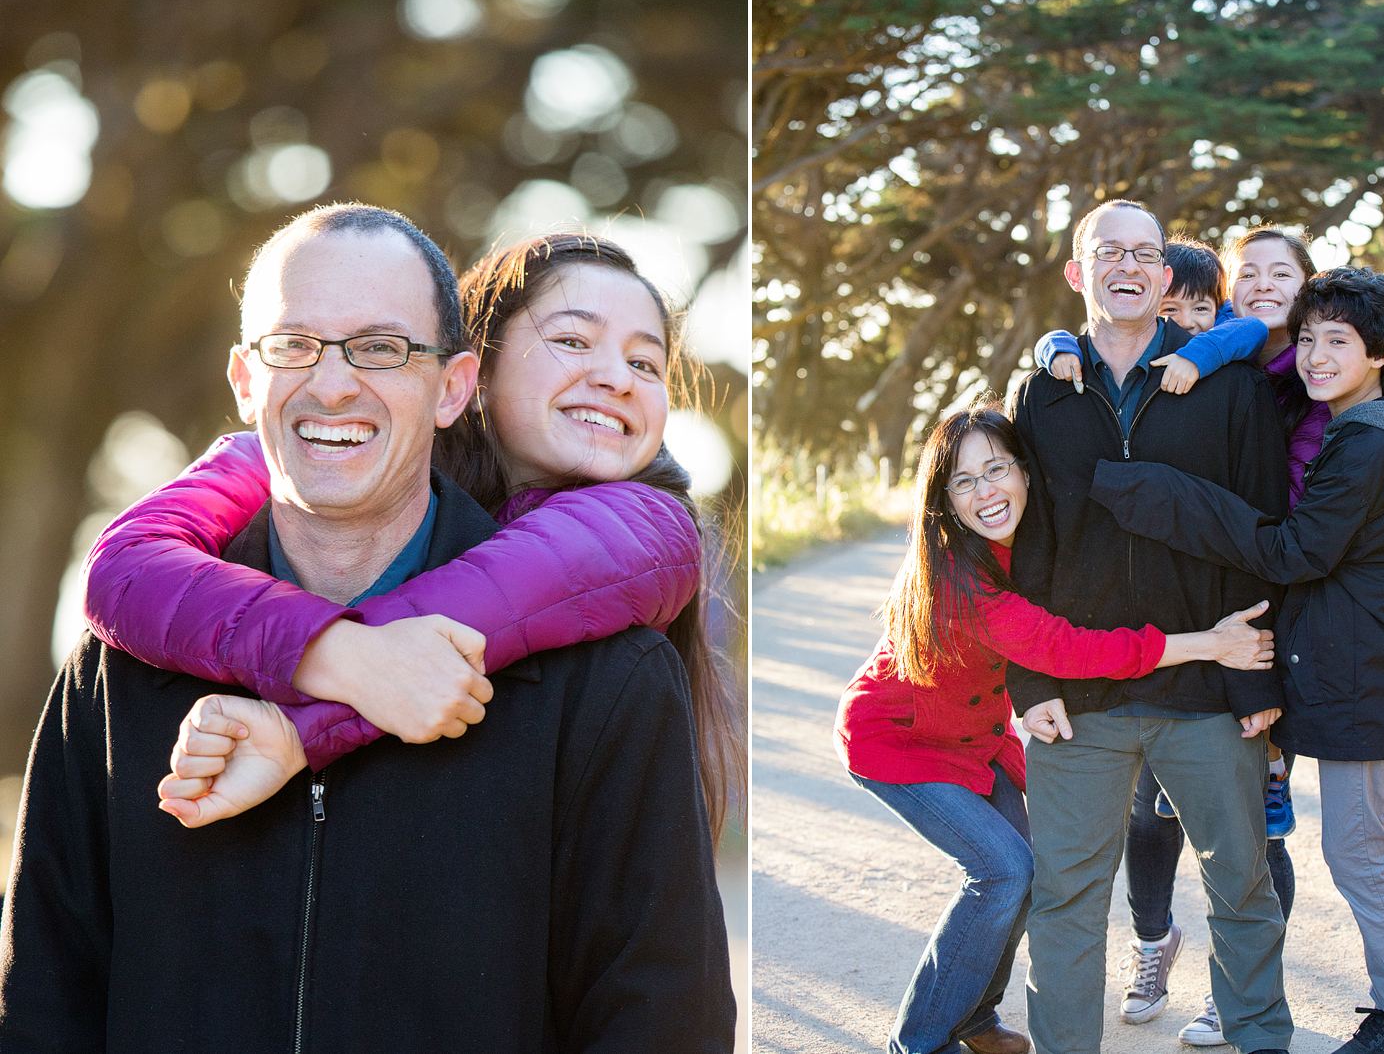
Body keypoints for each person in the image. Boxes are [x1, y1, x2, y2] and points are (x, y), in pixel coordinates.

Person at [0, 206, 735, 1052]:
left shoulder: (606, 668)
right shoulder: (118, 670)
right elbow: (45, 1007)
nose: (334, 383)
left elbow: (659, 1017)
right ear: (245, 379)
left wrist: (297, 726)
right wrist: (336, 655)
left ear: (452, 385)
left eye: (382, 348)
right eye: (295, 345)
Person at [77, 227, 742, 843]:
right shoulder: (329, 441)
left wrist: (298, 728)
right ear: (470, 375)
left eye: (646, 364)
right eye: (573, 340)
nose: (617, 378)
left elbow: (483, 609)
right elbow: (127, 568)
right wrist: (337, 657)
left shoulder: (648, 526)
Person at [1091, 266, 1384, 1054]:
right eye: (1307, 338)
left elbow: (1292, 551)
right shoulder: (1363, 430)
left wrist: (1168, 494)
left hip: (1372, 680)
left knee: (1360, 846)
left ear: (1377, 352)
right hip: (1376, 673)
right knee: (1376, 835)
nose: (1314, 355)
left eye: (1336, 342)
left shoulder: (1367, 448)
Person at [836, 401, 1276, 1054]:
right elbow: (1072, 648)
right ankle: (919, 1042)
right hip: (896, 742)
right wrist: (1206, 643)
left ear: (1025, 470)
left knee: (1032, 872)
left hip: (972, 741)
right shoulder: (963, 578)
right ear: (944, 501)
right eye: (964, 481)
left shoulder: (1033, 543)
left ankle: (975, 1019)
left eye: (996, 469)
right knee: (1003, 871)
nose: (986, 491)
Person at [1006, 199, 1293, 1054]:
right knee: (1064, 899)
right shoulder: (1041, 393)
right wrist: (1030, 683)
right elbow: (1027, 550)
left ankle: (1257, 1042)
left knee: (1241, 889)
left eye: (1145, 253)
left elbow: (1261, 534)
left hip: (1209, 689)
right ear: (1077, 272)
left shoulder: (1231, 386)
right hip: (1080, 698)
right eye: (1108, 252)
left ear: (1166, 277)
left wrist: (1257, 683)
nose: (1127, 266)